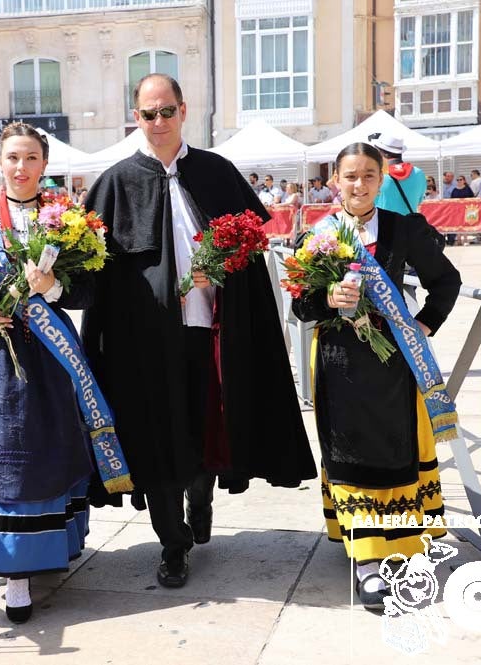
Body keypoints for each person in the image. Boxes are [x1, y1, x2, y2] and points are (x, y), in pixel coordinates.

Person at [83, 74, 316, 589]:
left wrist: (227, 270)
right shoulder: (116, 183)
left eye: (167, 111)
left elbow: (255, 251)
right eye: (149, 113)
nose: (159, 121)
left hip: (212, 334)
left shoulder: (217, 172)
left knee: (209, 424)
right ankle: (172, 543)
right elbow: (94, 273)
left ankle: (201, 494)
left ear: (184, 111)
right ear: (136, 118)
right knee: (157, 437)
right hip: (145, 345)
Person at [290, 141, 461, 609]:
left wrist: (423, 324)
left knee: (394, 449)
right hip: (339, 362)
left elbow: (446, 281)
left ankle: (402, 551)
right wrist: (328, 301)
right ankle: (367, 560)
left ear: (381, 179)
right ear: (334, 181)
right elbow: (299, 304)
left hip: (393, 364)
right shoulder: (319, 234)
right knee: (349, 452)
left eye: (369, 175)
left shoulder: (404, 229)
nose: (359, 184)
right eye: (350, 176)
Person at [0, 122, 94, 624]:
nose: (21, 167)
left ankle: (48, 549)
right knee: (3, 457)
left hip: (49, 357)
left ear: (44, 165)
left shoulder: (67, 220)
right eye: (12, 158)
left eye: (30, 158)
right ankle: (14, 570)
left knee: (47, 451)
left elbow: (85, 292)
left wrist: (52, 287)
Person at [370, 132, 425, 216]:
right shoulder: (419, 173)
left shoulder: (378, 175)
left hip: (384, 225)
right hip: (409, 225)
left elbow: (369, 202)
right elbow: (419, 200)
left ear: (383, 153)